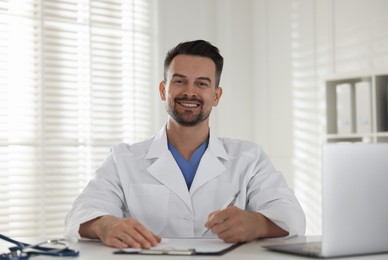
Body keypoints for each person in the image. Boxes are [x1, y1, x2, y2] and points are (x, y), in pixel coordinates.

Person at [64, 40, 306, 249]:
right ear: (163, 90)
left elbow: (292, 217)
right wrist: (105, 224)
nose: (190, 92)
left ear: (216, 96)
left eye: (202, 83)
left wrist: (257, 224)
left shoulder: (248, 157)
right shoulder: (123, 158)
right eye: (180, 81)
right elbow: (80, 213)